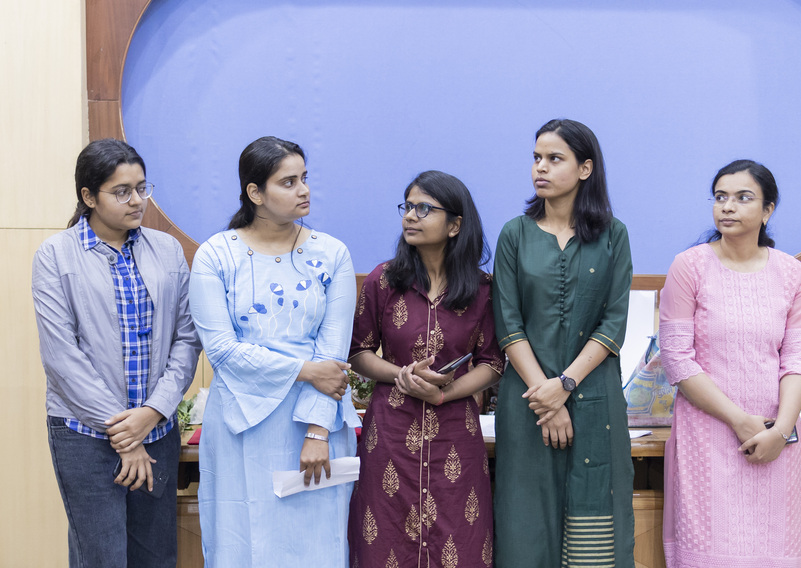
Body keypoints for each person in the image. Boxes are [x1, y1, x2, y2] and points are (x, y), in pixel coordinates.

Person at [32, 138, 201, 567]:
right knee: (101, 558)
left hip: (156, 431)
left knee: (156, 557)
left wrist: (152, 412)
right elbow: (61, 357)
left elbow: (187, 339)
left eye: (142, 188)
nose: (137, 200)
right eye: (122, 191)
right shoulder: (55, 255)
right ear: (89, 197)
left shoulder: (166, 250)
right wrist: (125, 434)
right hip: (84, 435)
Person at [189, 136, 357, 566]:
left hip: (313, 419)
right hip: (239, 422)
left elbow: (333, 356)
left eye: (304, 178)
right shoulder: (216, 255)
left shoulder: (332, 253)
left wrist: (317, 432)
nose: (304, 190)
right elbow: (222, 350)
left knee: (317, 546)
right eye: (288, 182)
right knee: (241, 544)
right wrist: (306, 370)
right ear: (255, 193)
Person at [492, 119, 635, 566]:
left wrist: (566, 385)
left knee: (595, 525)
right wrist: (547, 399)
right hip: (528, 401)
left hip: (594, 398)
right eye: (537, 158)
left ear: (585, 168)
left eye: (555, 159)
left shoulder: (613, 235)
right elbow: (508, 324)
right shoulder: (515, 234)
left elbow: (613, 323)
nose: (541, 167)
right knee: (526, 523)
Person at [658, 159, 801, 566]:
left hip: (776, 436)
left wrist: (780, 431)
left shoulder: (792, 273)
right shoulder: (689, 267)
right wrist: (739, 420)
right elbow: (677, 358)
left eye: (743, 198)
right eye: (720, 197)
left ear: (768, 210)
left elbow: (799, 358)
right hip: (707, 436)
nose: (727, 206)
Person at [348, 170, 504, 567]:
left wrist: (444, 392)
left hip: (456, 434)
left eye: (424, 208)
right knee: (383, 544)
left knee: (462, 545)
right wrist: (401, 375)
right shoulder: (383, 281)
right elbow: (359, 352)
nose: (410, 216)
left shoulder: (484, 289)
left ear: (455, 225)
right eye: (407, 206)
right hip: (390, 433)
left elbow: (492, 362)